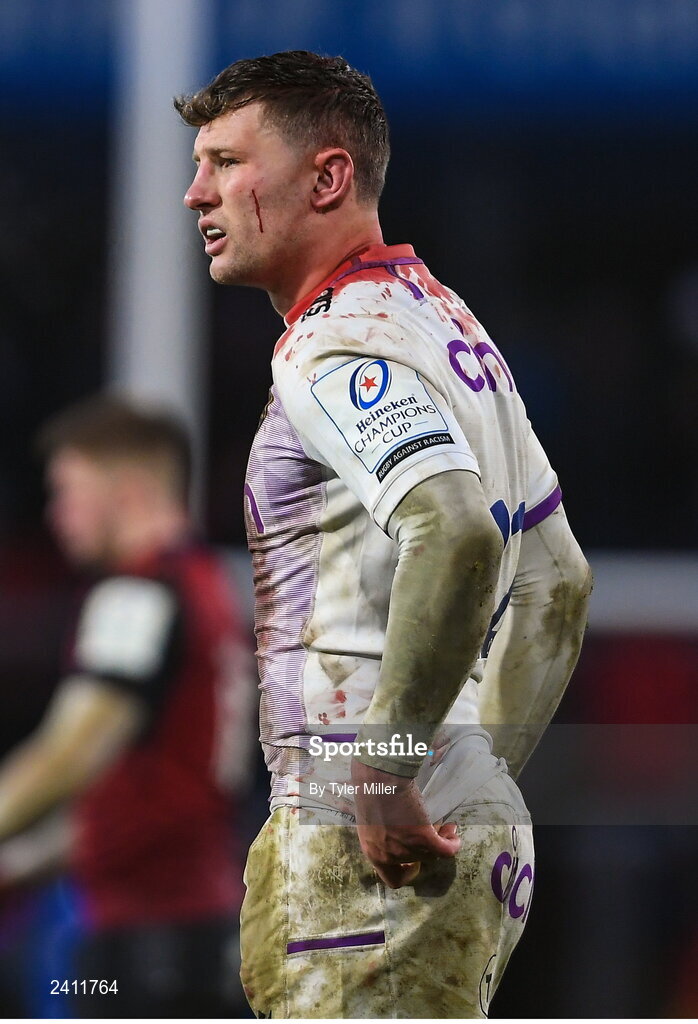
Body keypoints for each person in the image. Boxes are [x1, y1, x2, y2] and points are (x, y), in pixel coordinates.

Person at [177, 50, 592, 1019]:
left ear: (326, 178)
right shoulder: (446, 326)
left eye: (227, 161)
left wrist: (385, 772)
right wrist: (466, 772)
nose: (196, 191)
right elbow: (556, 582)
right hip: (446, 809)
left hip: (349, 813)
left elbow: (450, 532)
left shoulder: (331, 339)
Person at [0, 395, 254, 1018]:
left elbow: (70, 752)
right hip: (201, 931)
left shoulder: (137, 595)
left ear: (129, 490)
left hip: (143, 947)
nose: (57, 514)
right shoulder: (207, 587)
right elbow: (147, 795)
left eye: (68, 489)